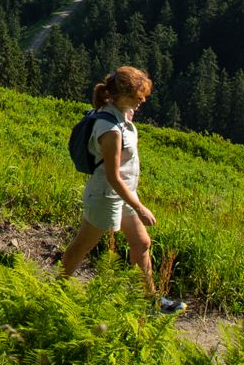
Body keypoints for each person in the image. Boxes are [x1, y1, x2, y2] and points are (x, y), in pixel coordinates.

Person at [57, 66, 183, 313]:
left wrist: (127, 115)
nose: (143, 100)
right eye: (139, 96)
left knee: (142, 243)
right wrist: (140, 207)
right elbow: (113, 177)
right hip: (106, 196)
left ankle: (151, 300)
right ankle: (56, 289)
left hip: (123, 193)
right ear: (123, 95)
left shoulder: (118, 115)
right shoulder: (110, 130)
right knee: (83, 245)